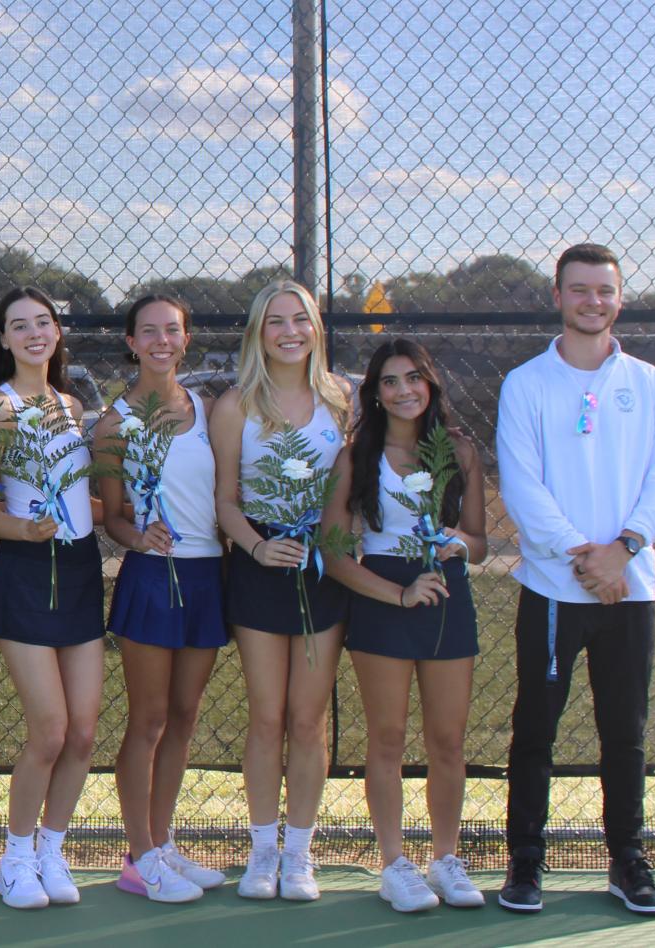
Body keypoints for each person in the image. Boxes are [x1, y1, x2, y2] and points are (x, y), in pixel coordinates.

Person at [497, 243, 655, 916]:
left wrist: (621, 553)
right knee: (535, 730)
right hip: (552, 590)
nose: (591, 301)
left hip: (629, 590)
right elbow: (521, 488)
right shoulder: (525, 384)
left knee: (623, 732)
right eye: (578, 290)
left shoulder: (652, 386)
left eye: (603, 290)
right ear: (557, 296)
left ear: (618, 297)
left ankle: (627, 860)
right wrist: (583, 556)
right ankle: (524, 862)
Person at [321, 338, 488, 912]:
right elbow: (335, 554)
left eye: (413, 378)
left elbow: (481, 543)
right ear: (376, 393)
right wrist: (398, 592)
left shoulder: (460, 451)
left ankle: (446, 858)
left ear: (430, 384)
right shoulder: (354, 457)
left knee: (448, 740)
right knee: (387, 739)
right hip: (383, 599)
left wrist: (450, 546)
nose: (403, 391)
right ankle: (395, 865)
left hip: (445, 597)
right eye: (390, 382)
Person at [210, 279, 354, 902]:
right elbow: (225, 500)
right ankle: (262, 850)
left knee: (307, 718)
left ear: (316, 328)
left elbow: (347, 496)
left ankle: (299, 853)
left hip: (320, 570)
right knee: (267, 718)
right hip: (260, 564)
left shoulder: (341, 399)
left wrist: (329, 545)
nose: (290, 331)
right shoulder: (236, 404)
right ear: (257, 333)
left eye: (301, 319)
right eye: (276, 322)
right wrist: (258, 545)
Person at [0, 288, 106, 909]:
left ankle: (52, 850)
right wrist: (20, 528)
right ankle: (15, 857)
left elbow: (85, 497)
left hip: (78, 570)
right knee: (49, 730)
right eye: (18, 326)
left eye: (43, 323)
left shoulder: (73, 405)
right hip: (27, 571)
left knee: (82, 732)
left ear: (57, 332)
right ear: (2, 339)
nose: (33, 334)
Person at [95, 295, 227, 903]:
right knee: (147, 720)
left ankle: (164, 840)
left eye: (171, 330)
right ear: (130, 342)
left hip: (207, 576)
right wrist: (138, 537)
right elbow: (113, 516)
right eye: (148, 332)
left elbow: (225, 499)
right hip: (151, 576)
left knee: (183, 716)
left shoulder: (210, 410)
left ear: (186, 339)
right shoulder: (114, 421)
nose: (161, 342)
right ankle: (139, 855)